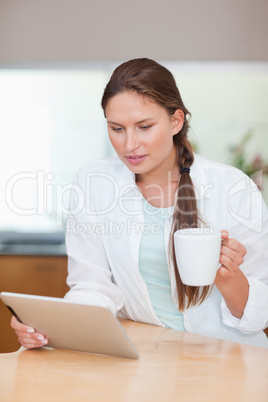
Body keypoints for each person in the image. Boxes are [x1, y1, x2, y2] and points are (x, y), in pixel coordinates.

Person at [11, 58, 268, 348]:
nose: (129, 144)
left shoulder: (232, 186)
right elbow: (92, 286)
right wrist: (48, 326)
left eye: (144, 127)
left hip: (230, 357)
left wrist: (227, 276)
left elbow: (259, 317)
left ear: (176, 121)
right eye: (117, 129)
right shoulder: (94, 181)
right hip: (147, 357)